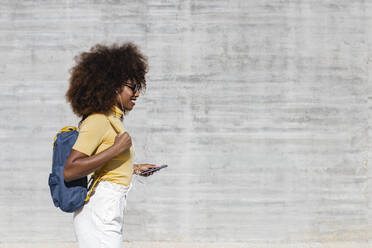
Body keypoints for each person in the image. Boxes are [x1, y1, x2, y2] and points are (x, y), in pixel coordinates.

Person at [63, 42, 159, 248]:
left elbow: (105, 166)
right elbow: (71, 170)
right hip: (99, 212)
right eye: (132, 87)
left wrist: (134, 168)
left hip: (109, 208)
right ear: (114, 87)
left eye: (138, 87)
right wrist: (116, 149)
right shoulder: (98, 119)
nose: (137, 93)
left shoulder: (113, 119)